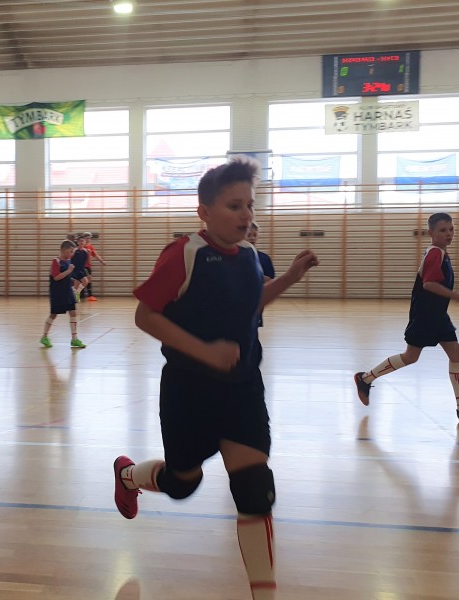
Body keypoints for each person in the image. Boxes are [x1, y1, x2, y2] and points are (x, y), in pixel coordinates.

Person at [112, 157, 319, 600]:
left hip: (242, 390)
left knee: (255, 490)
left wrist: (289, 277)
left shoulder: (249, 256)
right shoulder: (184, 254)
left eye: (250, 205)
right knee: (182, 484)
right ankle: (128, 476)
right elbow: (145, 316)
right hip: (189, 394)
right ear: (204, 211)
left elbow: (251, 304)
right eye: (234, 206)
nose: (246, 214)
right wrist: (204, 351)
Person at [353, 212, 459, 422]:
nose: (449, 233)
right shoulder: (435, 253)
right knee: (410, 357)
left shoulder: (441, 254)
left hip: (438, 315)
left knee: (457, 355)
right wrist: (458, 296)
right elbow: (429, 284)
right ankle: (365, 378)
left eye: (451, 229)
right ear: (431, 233)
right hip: (425, 315)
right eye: (443, 230)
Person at [41, 240, 86, 349]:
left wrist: (76, 278)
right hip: (57, 293)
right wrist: (68, 271)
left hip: (68, 292)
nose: (72, 254)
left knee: (73, 313)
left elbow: (70, 275)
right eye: (70, 251)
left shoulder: (69, 261)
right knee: (53, 315)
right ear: (64, 250)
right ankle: (44, 336)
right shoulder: (56, 261)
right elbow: (56, 277)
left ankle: (74, 339)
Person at [246, 222, 275, 326]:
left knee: (253, 329)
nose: (252, 238)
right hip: (239, 301)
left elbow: (270, 280)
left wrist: (256, 277)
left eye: (254, 235)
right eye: (249, 235)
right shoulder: (235, 257)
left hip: (257, 300)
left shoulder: (264, 258)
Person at [82, 232, 106, 301]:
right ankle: (84, 294)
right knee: (84, 280)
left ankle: (88, 295)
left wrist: (102, 261)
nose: (88, 240)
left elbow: (95, 255)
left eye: (89, 238)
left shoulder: (90, 246)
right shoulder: (81, 247)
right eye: (87, 238)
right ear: (84, 238)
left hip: (87, 266)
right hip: (82, 267)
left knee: (88, 280)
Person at [70, 235, 90, 303]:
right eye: (80, 241)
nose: (81, 242)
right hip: (75, 270)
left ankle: (75, 297)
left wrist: (86, 272)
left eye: (82, 241)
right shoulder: (75, 250)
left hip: (82, 270)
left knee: (76, 286)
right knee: (85, 282)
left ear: (85, 242)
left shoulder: (86, 251)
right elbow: (70, 259)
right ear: (78, 242)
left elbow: (87, 263)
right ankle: (76, 294)